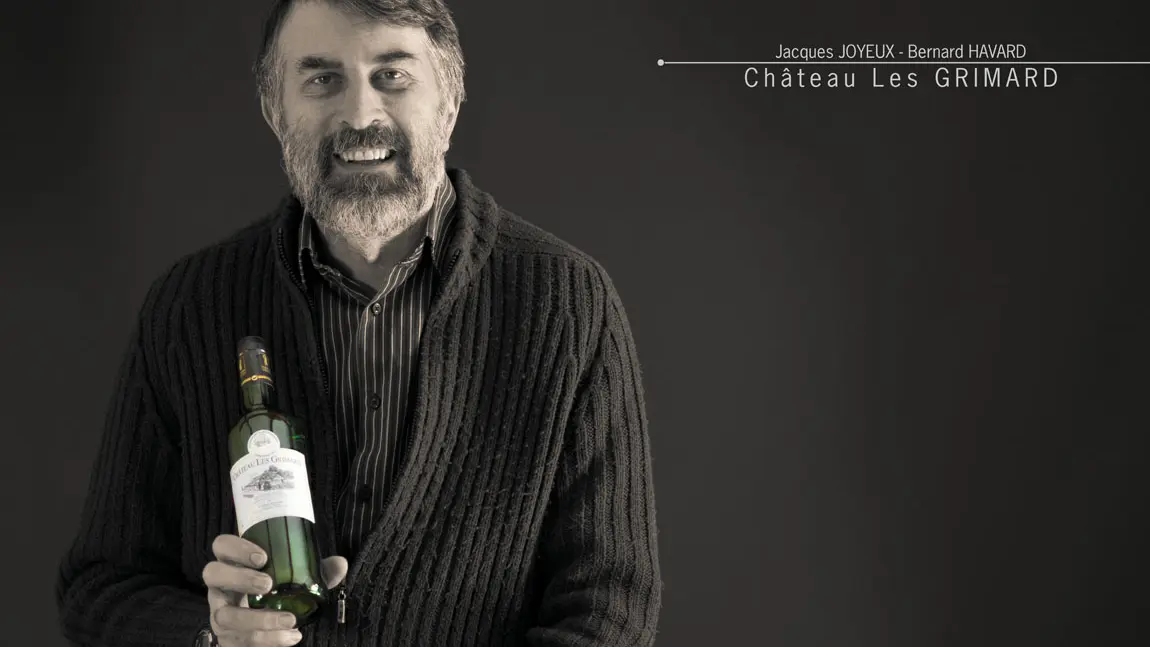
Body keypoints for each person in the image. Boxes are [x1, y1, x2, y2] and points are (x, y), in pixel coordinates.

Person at [53, 1, 662, 646]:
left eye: (391, 75)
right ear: (275, 110)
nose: (360, 115)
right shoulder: (188, 306)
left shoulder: (567, 302)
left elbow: (609, 611)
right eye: (322, 79)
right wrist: (209, 633)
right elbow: (100, 588)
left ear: (450, 101)